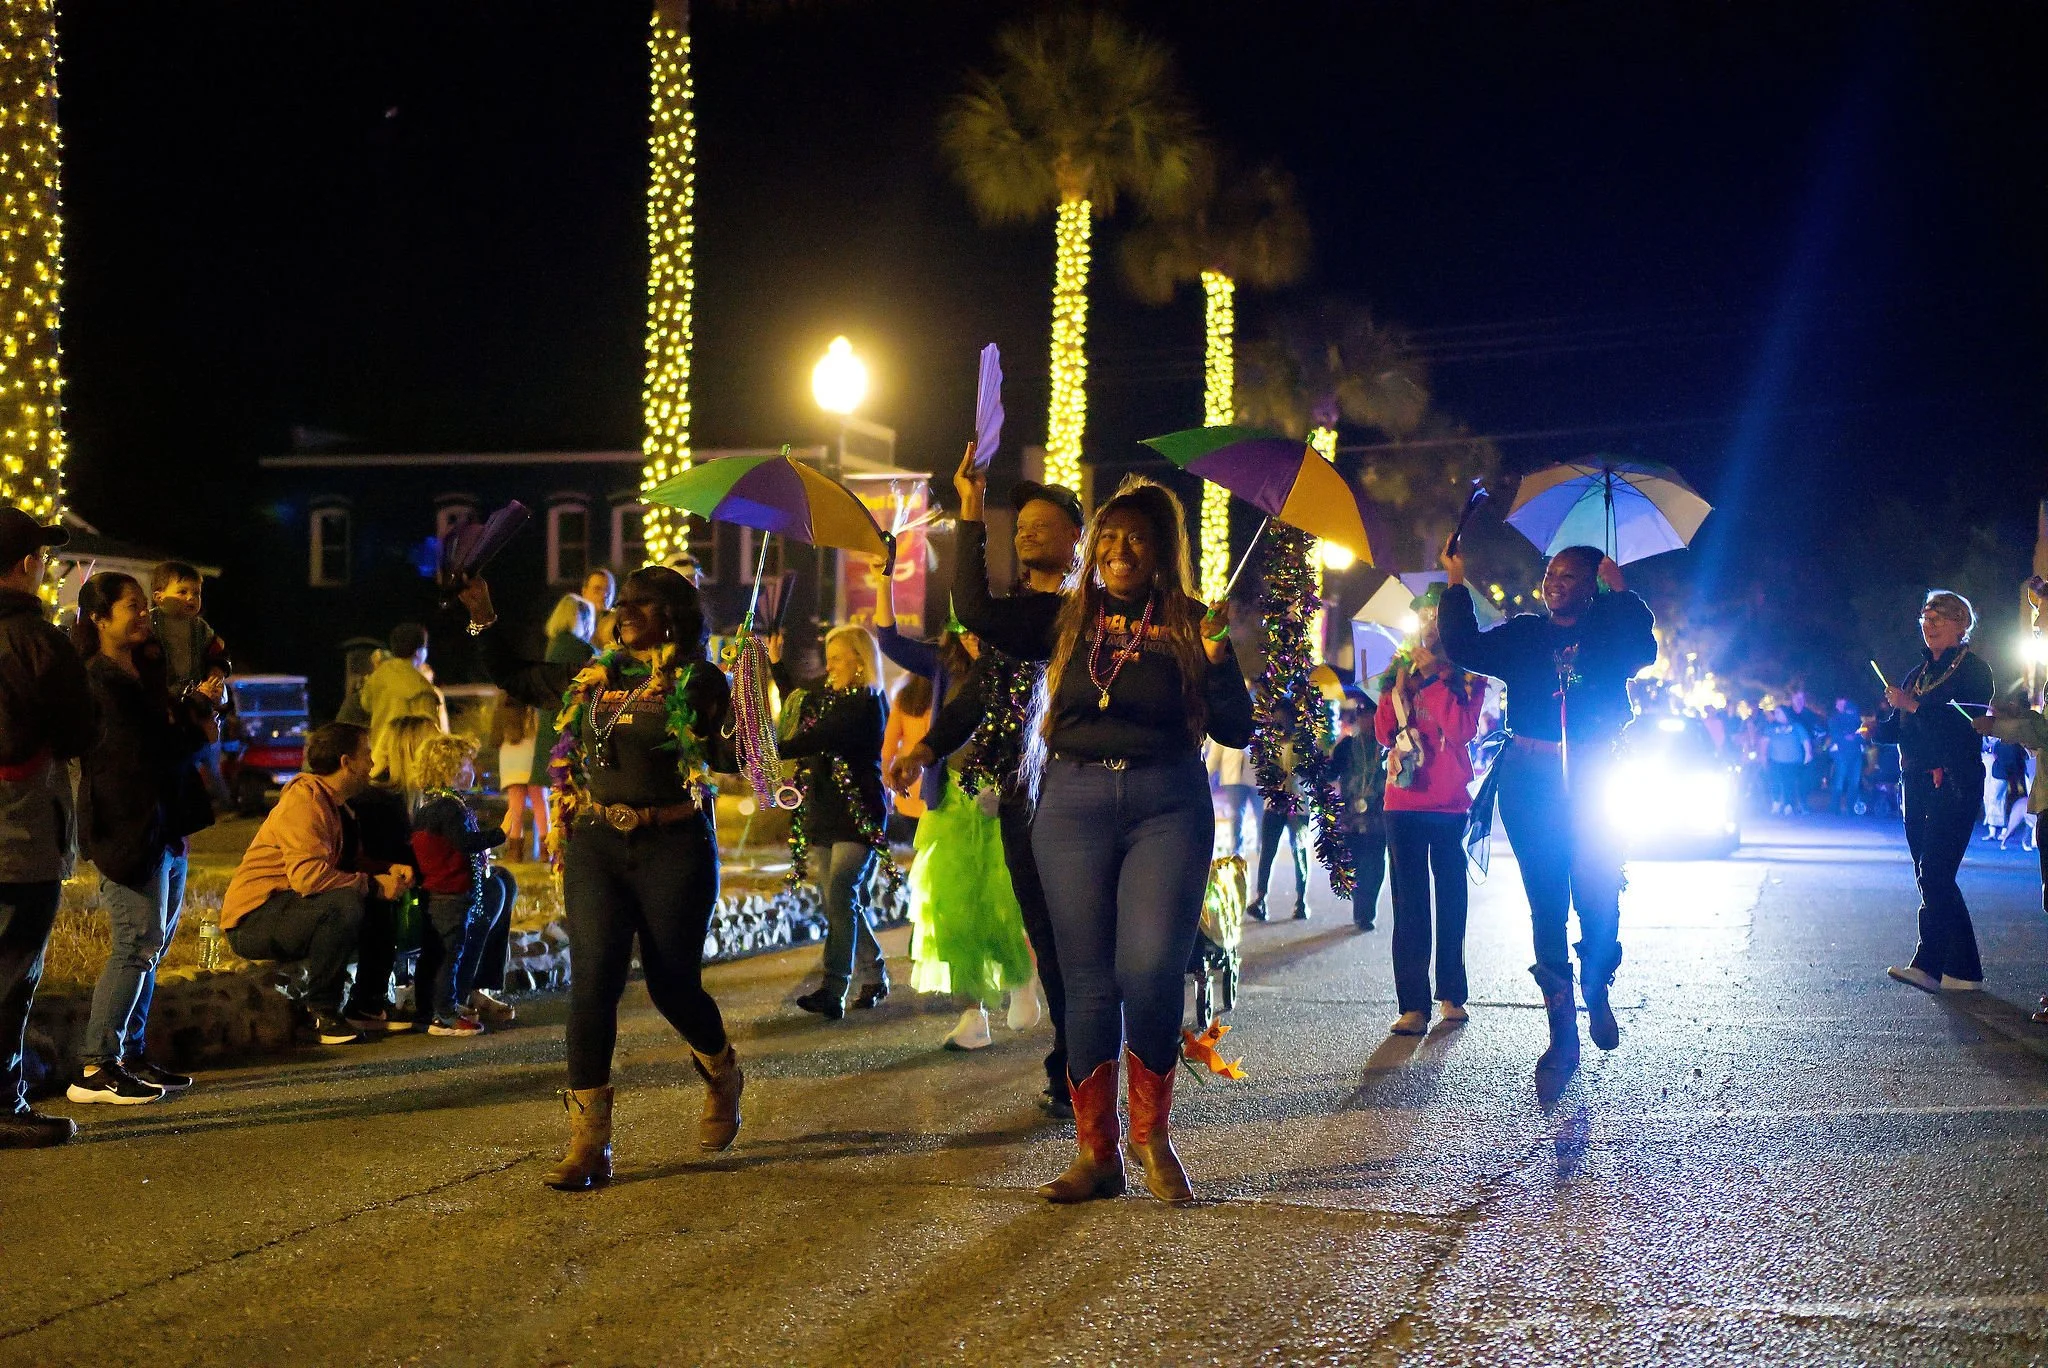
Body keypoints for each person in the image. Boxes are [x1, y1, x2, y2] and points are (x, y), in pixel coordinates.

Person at [982, 474, 1253, 1205]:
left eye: (1136, 537)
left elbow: (1236, 729)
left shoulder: (1194, 621)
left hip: (1166, 802)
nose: (1120, 549)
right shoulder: (1068, 617)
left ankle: (1154, 1139)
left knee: (1149, 970)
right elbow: (972, 608)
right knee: (1087, 982)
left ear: (1163, 549)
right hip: (1070, 801)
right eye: (1108, 535)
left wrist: (1220, 659)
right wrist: (972, 503)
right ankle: (1097, 1155)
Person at [462, 566, 743, 1190]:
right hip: (593, 844)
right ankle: (589, 1145)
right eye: (624, 604)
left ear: (674, 613)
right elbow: (512, 673)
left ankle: (722, 1071)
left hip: (674, 843)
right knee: (592, 985)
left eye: (644, 604)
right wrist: (482, 611)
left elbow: (728, 758)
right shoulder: (590, 677)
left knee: (674, 986)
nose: (627, 612)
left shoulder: (701, 681)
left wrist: (746, 707)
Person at [899, 447, 1087, 1117]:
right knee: (1048, 930)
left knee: (1075, 936)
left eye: (1043, 523)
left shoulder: (1072, 615)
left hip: (1074, 796)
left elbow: (970, 607)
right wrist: (926, 748)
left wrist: (972, 508)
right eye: (1021, 525)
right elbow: (982, 693)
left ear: (1077, 539)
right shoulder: (1016, 621)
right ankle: (1074, 1067)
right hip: (1017, 798)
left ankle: (1086, 1065)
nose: (1027, 532)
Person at [1438, 541, 1657, 1075]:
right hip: (1529, 782)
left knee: (1598, 887)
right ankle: (1562, 1031)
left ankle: (1597, 981)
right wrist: (1455, 579)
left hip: (1593, 777)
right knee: (1546, 900)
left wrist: (1623, 590)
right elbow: (1463, 645)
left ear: (1591, 586)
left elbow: (1642, 651)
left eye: (1569, 574)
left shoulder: (1607, 634)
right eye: (1551, 572)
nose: (1555, 581)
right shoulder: (1526, 634)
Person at [873, 555, 1038, 1051]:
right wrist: (884, 579)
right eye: (961, 629)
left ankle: (1022, 980)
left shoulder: (1018, 660)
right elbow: (888, 640)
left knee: (1006, 901)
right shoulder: (943, 665)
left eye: (978, 629)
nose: (970, 638)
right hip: (951, 798)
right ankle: (973, 1014)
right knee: (952, 908)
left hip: (1003, 797)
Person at [68, 573, 215, 1104]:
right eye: (130, 607)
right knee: (134, 945)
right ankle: (95, 1066)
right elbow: (139, 758)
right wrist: (195, 732)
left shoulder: (147, 669)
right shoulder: (100, 680)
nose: (143, 614)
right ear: (100, 619)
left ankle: (129, 1054)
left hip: (164, 825)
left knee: (151, 947)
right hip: (127, 829)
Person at [221, 723, 414, 1045]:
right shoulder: (305, 802)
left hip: (292, 907)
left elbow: (341, 865)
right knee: (345, 902)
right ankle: (321, 1010)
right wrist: (374, 884)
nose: (372, 764)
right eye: (366, 754)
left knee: (371, 899)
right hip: (255, 918)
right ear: (346, 762)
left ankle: (367, 1005)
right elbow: (309, 877)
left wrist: (386, 870)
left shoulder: (335, 805)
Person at [0, 508, 96, 1147]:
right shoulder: (35, 639)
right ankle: (4, 1105)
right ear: (28, 563)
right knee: (11, 969)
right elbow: (80, 731)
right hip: (19, 832)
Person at [769, 624, 891, 1020]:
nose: (831, 665)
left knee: (840, 890)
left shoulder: (867, 702)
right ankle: (874, 974)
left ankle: (832, 987)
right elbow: (799, 708)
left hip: (859, 814)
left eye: (839, 658)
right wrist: (777, 667)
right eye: (830, 658)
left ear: (860, 661)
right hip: (823, 810)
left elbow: (822, 734)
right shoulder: (828, 699)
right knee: (840, 901)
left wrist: (773, 748)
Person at [1874, 590, 1995, 993]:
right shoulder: (1918, 673)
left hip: (1954, 780)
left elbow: (1965, 724)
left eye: (1938, 618)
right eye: (1924, 618)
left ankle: (1929, 964)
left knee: (1936, 871)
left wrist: (1913, 707)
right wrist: (1876, 730)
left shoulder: (1975, 671)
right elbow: (1901, 727)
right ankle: (1963, 971)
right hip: (1916, 782)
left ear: (1961, 624)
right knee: (1930, 874)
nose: (1928, 625)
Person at [1375, 627, 1483, 1036]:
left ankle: (1452, 995)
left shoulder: (1470, 677)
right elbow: (1384, 733)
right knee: (1410, 905)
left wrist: (1437, 677)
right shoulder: (1399, 671)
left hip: (1449, 805)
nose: (1430, 625)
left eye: (1439, 618)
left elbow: (1461, 731)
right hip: (1402, 804)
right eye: (1424, 617)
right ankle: (1413, 1006)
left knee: (1452, 900)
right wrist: (1396, 693)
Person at [396, 727, 506, 1037]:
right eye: (469, 764)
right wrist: (500, 833)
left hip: (437, 892)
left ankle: (428, 1008)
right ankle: (442, 1015)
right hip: (451, 893)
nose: (474, 770)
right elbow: (465, 843)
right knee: (448, 955)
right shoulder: (448, 809)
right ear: (452, 770)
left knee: (433, 954)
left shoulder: (431, 806)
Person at [149, 560, 231, 805]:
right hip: (165, 701)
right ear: (159, 596)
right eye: (182, 591)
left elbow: (218, 653)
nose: (190, 598)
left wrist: (217, 671)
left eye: (196, 593)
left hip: (194, 696)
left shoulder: (201, 629)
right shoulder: (151, 626)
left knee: (191, 759)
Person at [530, 592, 598, 806]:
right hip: (569, 735)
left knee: (558, 804)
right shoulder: (581, 650)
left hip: (549, 734)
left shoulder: (553, 647)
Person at [1330, 688, 1388, 931]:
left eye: (1372, 715)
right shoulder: (1346, 747)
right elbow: (1330, 773)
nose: (1367, 720)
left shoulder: (1388, 747)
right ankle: (1359, 906)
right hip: (1351, 815)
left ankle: (1367, 912)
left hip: (1379, 815)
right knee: (1352, 862)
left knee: (1374, 864)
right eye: (1363, 714)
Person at [360, 622, 445, 780]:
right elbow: (430, 738)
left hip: (376, 761)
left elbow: (365, 704)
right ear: (419, 652)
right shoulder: (422, 687)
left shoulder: (377, 677)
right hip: (406, 770)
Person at [492, 695, 545, 862]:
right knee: (540, 803)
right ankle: (547, 850)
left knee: (515, 806)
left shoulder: (503, 704)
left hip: (510, 756)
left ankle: (515, 851)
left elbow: (495, 738)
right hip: (533, 754)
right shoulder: (535, 705)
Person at [1205, 741, 1256, 860]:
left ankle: (1261, 845)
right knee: (1237, 814)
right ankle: (1237, 849)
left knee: (1261, 814)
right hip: (1233, 775)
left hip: (1257, 775)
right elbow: (1215, 752)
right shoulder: (1227, 724)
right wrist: (1205, 775)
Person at [1763, 705, 1811, 815]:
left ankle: (1788, 805)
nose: (1776, 715)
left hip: (1792, 761)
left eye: (1779, 712)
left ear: (1785, 713)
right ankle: (1776, 804)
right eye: (1775, 713)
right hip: (1775, 760)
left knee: (1788, 782)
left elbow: (1805, 740)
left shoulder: (1797, 726)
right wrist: (1764, 756)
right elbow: (1765, 742)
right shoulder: (1771, 727)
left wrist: (1808, 753)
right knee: (1774, 782)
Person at [1828, 697, 1865, 814]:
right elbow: (1835, 734)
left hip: (1855, 753)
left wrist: (1855, 738)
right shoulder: (1835, 719)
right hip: (1842, 753)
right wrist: (1847, 738)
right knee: (1840, 779)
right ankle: (1835, 808)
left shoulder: (1855, 717)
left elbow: (1861, 731)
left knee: (1853, 781)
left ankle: (1851, 808)